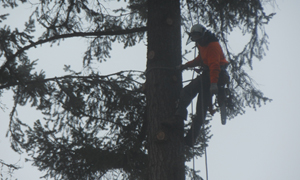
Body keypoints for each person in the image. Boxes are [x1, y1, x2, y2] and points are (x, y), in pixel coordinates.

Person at [164, 24, 229, 147]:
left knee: (191, 98)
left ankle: (188, 139)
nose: (197, 40)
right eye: (195, 38)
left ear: (203, 34)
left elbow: (214, 65)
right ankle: (180, 121)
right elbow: (200, 59)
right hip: (207, 75)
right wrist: (186, 65)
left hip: (214, 75)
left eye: (198, 37)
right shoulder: (201, 44)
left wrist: (214, 83)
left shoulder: (212, 45)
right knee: (192, 98)